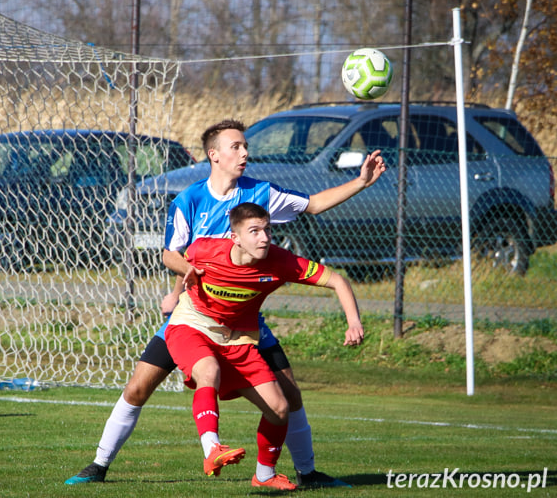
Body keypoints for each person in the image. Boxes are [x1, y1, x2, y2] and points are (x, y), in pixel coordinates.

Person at [66, 119, 385, 487]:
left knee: (289, 397)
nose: (245, 152)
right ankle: (98, 465)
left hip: (243, 322)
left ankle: (306, 473)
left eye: (245, 145)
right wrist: (183, 279)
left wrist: (361, 182)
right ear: (213, 155)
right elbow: (172, 254)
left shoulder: (261, 193)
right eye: (236, 146)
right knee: (138, 387)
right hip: (196, 314)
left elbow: (312, 205)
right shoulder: (189, 199)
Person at [165, 202, 363, 489]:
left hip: (238, 338)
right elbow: (170, 256)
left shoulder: (282, 262)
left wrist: (353, 321)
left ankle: (265, 475)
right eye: (255, 231)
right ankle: (212, 450)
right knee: (207, 371)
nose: (264, 237)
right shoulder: (206, 249)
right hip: (192, 325)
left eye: (268, 230)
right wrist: (187, 270)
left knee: (280, 407)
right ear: (234, 237)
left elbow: (337, 281)